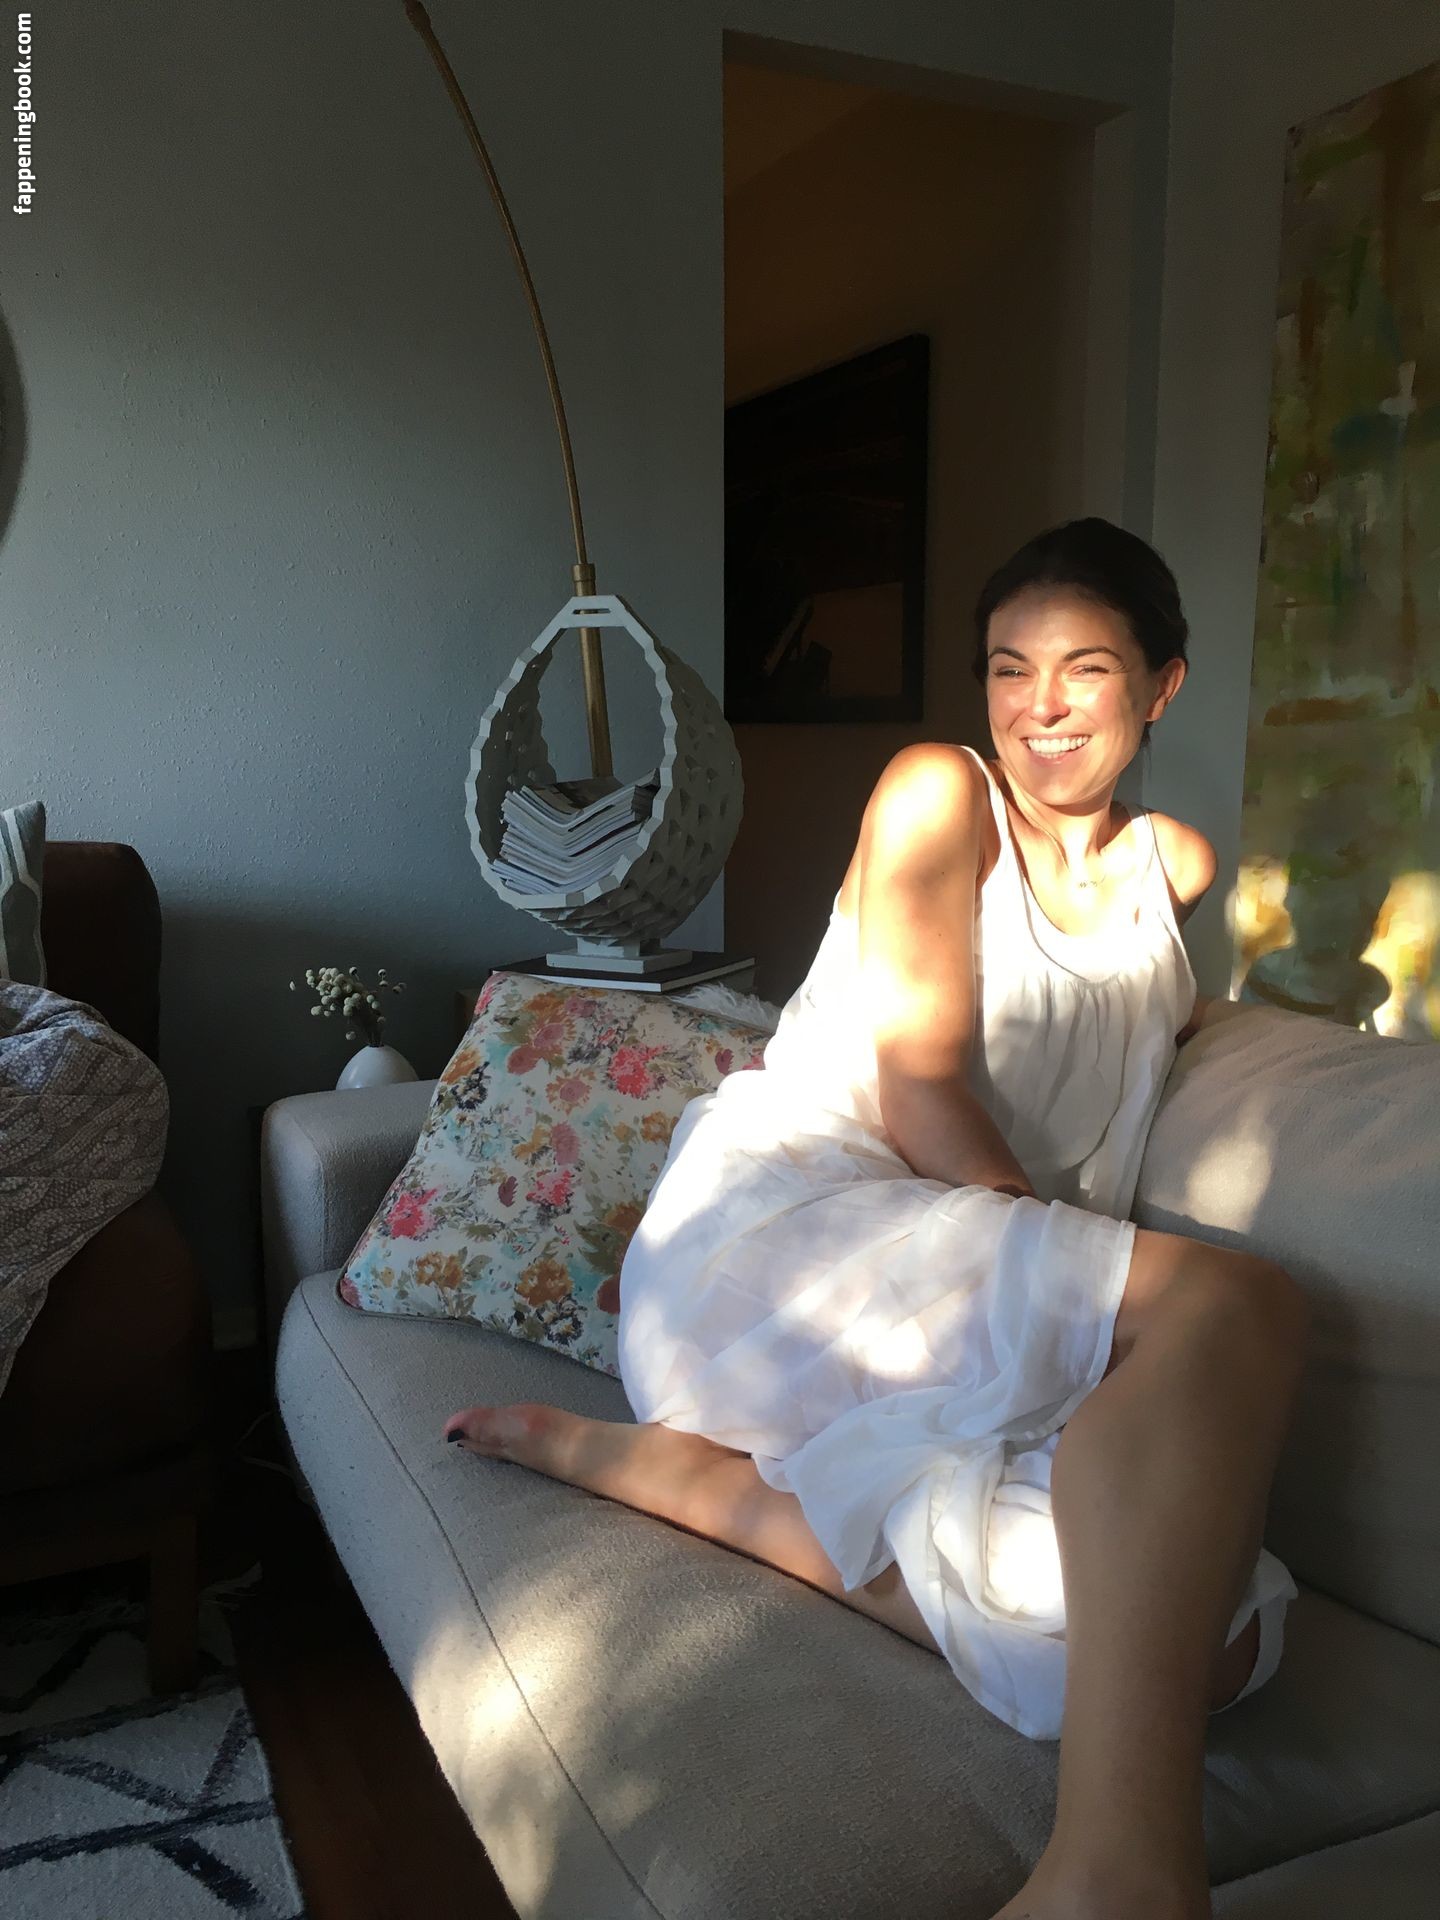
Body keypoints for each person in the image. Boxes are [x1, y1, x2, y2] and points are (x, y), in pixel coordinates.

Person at [443, 517, 1309, 1920]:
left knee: (1205, 1637)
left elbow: (1111, 1033)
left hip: (956, 1291)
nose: (1039, 706)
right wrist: (1084, 1293)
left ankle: (675, 1476)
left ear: (1163, 686)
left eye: (1086, 669)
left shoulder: (1176, 871)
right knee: (1242, 1303)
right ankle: (1116, 1876)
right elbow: (920, 1093)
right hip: (794, 1239)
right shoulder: (937, 793)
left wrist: (1076, 1288)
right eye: (1009, 667)